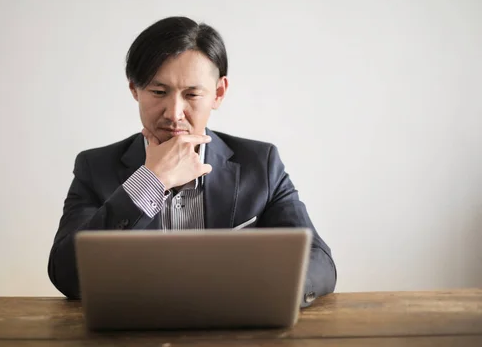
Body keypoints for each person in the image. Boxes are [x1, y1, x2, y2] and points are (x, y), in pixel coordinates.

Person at [48, 16, 337, 307]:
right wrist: (150, 181)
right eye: (158, 92)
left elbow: (319, 261)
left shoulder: (260, 164)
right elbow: (67, 274)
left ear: (218, 93)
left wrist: (254, 292)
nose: (174, 113)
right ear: (134, 89)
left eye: (192, 94)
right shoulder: (95, 167)